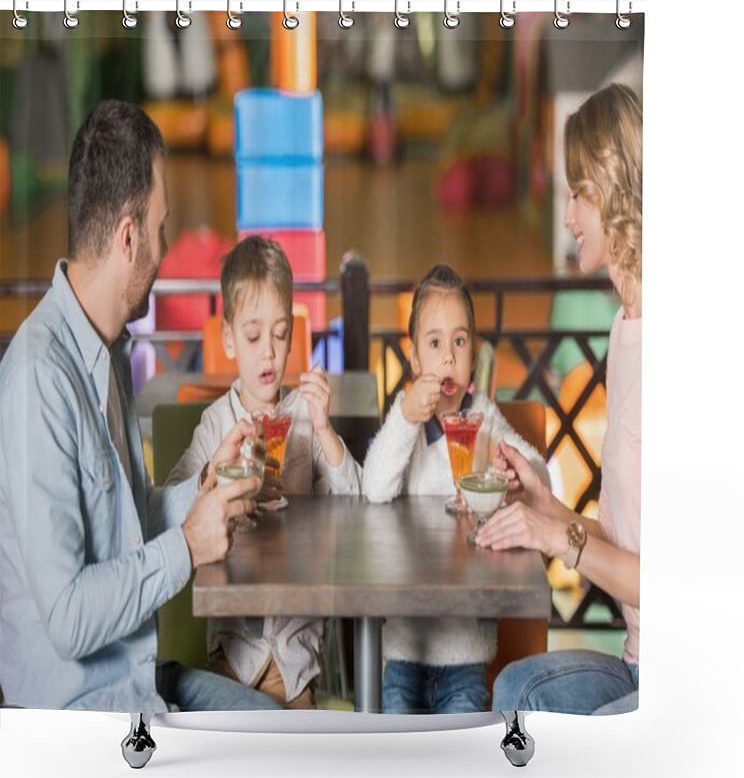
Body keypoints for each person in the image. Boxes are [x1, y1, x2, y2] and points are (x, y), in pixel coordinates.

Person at [0, 99, 283, 712]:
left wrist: (207, 488)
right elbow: (69, 619)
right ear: (129, 238)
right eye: (160, 230)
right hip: (80, 720)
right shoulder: (38, 378)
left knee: (281, 730)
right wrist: (187, 544)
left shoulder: (107, 349)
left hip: (139, 685)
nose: (164, 248)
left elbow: (130, 525)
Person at [477, 83, 642, 715]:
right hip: (635, 659)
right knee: (515, 692)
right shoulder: (626, 330)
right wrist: (550, 509)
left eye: (578, 194)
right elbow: (626, 544)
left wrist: (558, 539)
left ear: (613, 191)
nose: (568, 217)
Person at [165, 235, 361, 709]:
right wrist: (216, 478)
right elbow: (172, 500)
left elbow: (356, 506)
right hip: (232, 655)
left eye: (280, 334)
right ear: (229, 338)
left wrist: (325, 432)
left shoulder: (304, 418)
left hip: (296, 661)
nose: (269, 353)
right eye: (253, 337)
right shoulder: (216, 424)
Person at [361, 264, 550, 714]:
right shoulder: (406, 419)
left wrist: (515, 472)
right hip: (404, 652)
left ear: (474, 355)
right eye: (434, 343)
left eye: (459, 342)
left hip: (466, 658)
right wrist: (406, 415)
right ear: (414, 359)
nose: (448, 356)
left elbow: (539, 473)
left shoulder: (483, 415)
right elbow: (373, 489)